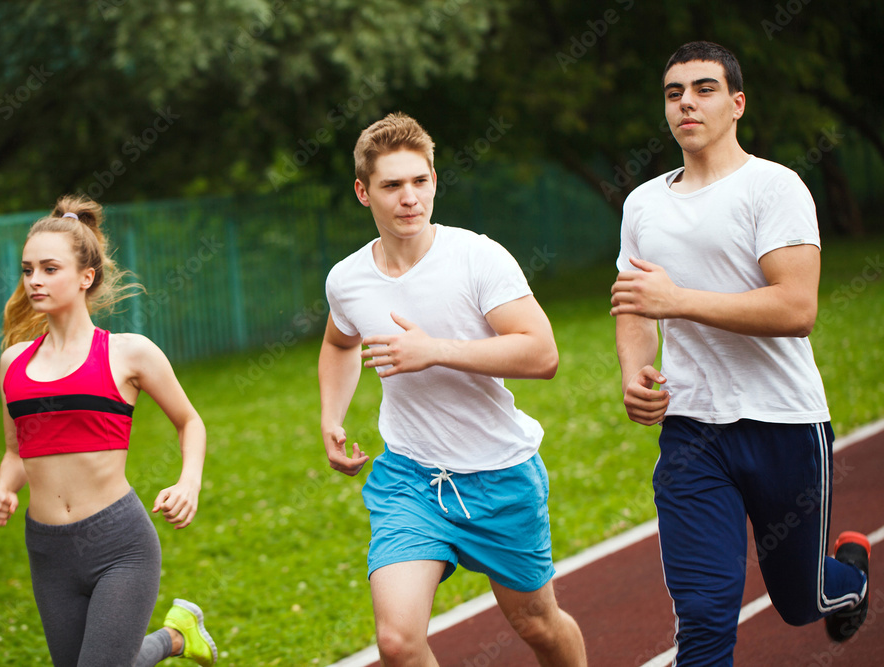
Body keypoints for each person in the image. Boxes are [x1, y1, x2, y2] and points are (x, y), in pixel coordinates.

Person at [611, 41, 870, 664]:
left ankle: (852, 579)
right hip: (693, 432)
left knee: (801, 600)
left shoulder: (774, 187)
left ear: (737, 103)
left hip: (783, 424)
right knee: (703, 614)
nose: (686, 104)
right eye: (674, 93)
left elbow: (795, 310)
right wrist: (634, 370)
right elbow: (635, 302)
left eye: (703, 89)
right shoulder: (643, 204)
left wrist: (679, 299)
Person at [318, 112, 587, 666]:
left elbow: (543, 353)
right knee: (396, 640)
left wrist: (434, 349)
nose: (409, 198)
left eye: (420, 181)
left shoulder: (477, 258)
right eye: (392, 185)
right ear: (363, 192)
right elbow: (340, 343)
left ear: (435, 181)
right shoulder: (347, 279)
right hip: (411, 478)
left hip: (500, 476)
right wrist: (331, 416)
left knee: (537, 624)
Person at [0, 195, 217, 667]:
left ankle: (174, 636)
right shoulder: (13, 364)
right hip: (47, 550)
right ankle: (176, 636)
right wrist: (4, 488)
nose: (34, 280)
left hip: (119, 543)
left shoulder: (129, 354)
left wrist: (188, 481)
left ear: (86, 277)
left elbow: (189, 421)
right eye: (28, 269)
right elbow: (17, 451)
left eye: (50, 269)